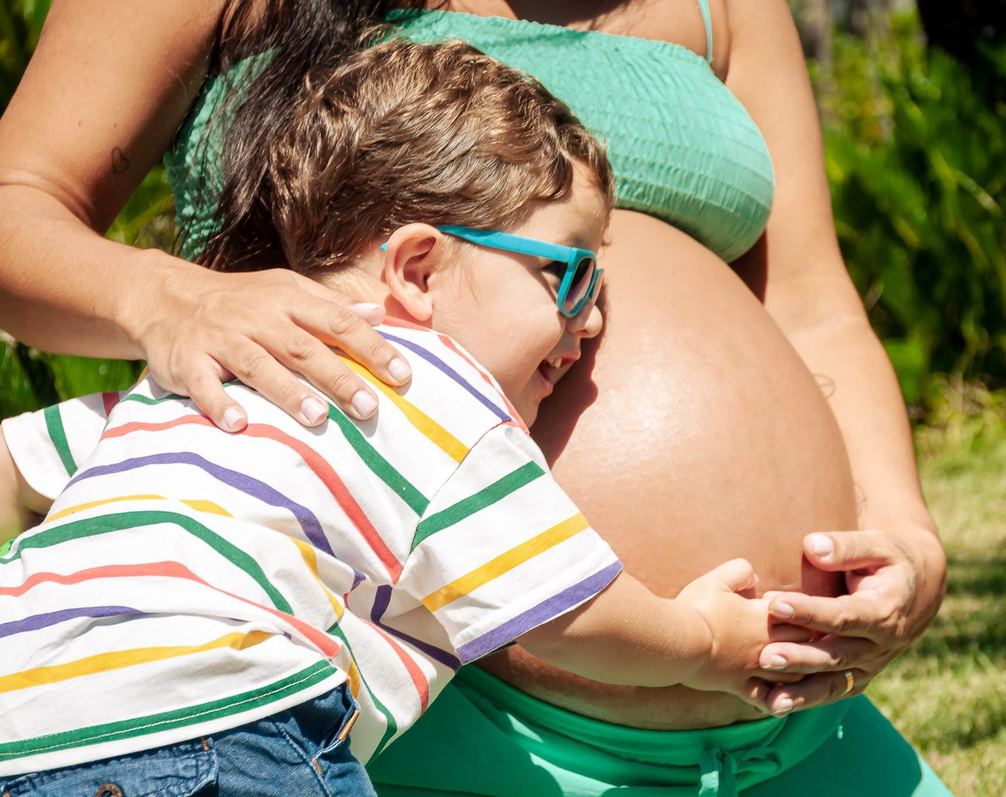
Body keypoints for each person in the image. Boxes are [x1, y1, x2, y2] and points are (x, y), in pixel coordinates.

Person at [0, 1, 949, 794]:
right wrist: (172, 298)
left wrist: (904, 534)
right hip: (370, 726)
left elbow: (814, 308)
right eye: (570, 278)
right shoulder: (399, 401)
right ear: (415, 262)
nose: (591, 325)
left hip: (798, 721)